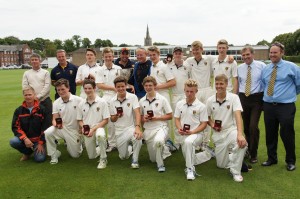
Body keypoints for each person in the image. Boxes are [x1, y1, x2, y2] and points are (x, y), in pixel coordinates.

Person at [261, 42, 300, 171]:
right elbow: (264, 85)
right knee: (270, 133)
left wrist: (287, 95)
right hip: (269, 106)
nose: (272, 55)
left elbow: (298, 85)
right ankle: (271, 158)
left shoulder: (292, 67)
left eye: (275, 52)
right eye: (271, 53)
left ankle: (290, 161)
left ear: (281, 53)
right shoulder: (266, 69)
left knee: (287, 133)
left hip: (286, 106)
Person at [206, 74, 247, 182]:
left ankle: (236, 171)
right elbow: (207, 118)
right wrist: (213, 125)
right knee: (221, 165)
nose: (219, 86)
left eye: (221, 84)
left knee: (242, 143)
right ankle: (234, 157)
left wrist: (240, 134)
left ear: (226, 84)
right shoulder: (210, 100)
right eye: (217, 84)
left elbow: (238, 116)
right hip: (218, 133)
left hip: (231, 130)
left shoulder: (234, 97)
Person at [174, 79, 211, 180]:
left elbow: (204, 124)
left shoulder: (201, 106)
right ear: (184, 90)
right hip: (183, 134)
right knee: (190, 157)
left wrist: (193, 131)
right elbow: (176, 119)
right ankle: (206, 155)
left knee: (189, 143)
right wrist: (179, 128)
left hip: (197, 134)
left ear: (196, 91)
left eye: (192, 91)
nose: (189, 93)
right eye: (187, 91)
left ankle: (190, 169)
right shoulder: (179, 104)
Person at [237, 46, 266, 164]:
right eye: (243, 55)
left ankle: (253, 153)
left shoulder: (262, 66)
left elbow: (265, 81)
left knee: (253, 126)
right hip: (243, 98)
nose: (245, 57)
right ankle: (248, 150)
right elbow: (239, 83)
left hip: (256, 99)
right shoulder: (239, 68)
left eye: (247, 54)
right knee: (247, 127)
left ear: (253, 54)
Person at [44, 78, 83, 164]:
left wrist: (81, 127)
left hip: (74, 130)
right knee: (48, 132)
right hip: (62, 128)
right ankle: (54, 155)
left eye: (63, 89)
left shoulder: (79, 100)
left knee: (75, 155)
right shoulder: (56, 103)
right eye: (58, 90)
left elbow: (84, 116)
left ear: (68, 88)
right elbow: (54, 118)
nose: (61, 92)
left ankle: (79, 144)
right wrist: (56, 124)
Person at [139, 76, 173, 172]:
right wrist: (144, 118)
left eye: (150, 85)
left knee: (158, 142)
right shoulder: (141, 101)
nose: (148, 87)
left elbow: (170, 116)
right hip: (148, 130)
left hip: (161, 127)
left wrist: (156, 118)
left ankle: (160, 164)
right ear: (143, 86)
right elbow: (139, 117)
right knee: (152, 159)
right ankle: (165, 149)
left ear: (155, 86)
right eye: (146, 85)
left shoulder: (162, 99)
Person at [109, 76, 143, 168]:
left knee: (138, 137)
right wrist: (116, 115)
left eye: (122, 86)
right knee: (123, 157)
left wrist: (137, 127)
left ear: (126, 86)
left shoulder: (133, 97)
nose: (121, 89)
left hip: (130, 128)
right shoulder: (112, 101)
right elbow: (112, 119)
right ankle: (129, 148)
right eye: (118, 87)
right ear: (115, 87)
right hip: (119, 130)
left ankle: (135, 160)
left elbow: (137, 113)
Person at [77, 79, 110, 169]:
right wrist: (83, 127)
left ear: (94, 88)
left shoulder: (102, 102)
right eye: (85, 88)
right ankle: (102, 145)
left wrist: (93, 129)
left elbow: (106, 120)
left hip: (99, 128)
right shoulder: (81, 103)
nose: (87, 90)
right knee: (92, 156)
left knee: (100, 135)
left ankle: (103, 158)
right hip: (88, 130)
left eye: (89, 88)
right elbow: (79, 120)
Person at [10, 86, 48, 162]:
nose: (28, 97)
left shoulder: (42, 109)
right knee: (13, 141)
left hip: (38, 140)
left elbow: (46, 127)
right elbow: (15, 127)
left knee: (39, 159)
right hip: (26, 139)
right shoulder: (19, 110)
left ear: (34, 95)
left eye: (30, 94)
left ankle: (42, 147)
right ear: (23, 96)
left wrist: (41, 142)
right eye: (26, 95)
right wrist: (25, 138)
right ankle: (27, 152)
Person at [96, 47, 122, 152]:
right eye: (106, 56)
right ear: (103, 57)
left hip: (119, 96)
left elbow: (123, 82)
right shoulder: (100, 70)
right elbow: (99, 84)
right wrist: (112, 88)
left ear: (113, 57)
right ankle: (111, 144)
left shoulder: (118, 68)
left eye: (110, 56)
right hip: (106, 96)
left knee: (120, 119)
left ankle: (120, 141)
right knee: (110, 121)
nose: (108, 58)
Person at [167, 46, 190, 149]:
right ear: (173, 54)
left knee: (186, 119)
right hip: (175, 95)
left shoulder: (187, 65)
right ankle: (177, 142)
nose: (178, 55)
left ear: (182, 54)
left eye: (179, 53)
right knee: (176, 119)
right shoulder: (169, 66)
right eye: (176, 53)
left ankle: (186, 140)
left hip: (186, 95)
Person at [22, 53, 52, 128]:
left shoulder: (45, 72)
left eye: (36, 59)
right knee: (35, 121)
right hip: (32, 102)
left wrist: (38, 97)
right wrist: (32, 97)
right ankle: (36, 139)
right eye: (32, 60)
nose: (34, 61)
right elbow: (25, 86)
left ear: (40, 61)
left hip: (45, 100)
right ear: (30, 61)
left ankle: (49, 139)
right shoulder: (27, 73)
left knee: (48, 121)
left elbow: (47, 86)